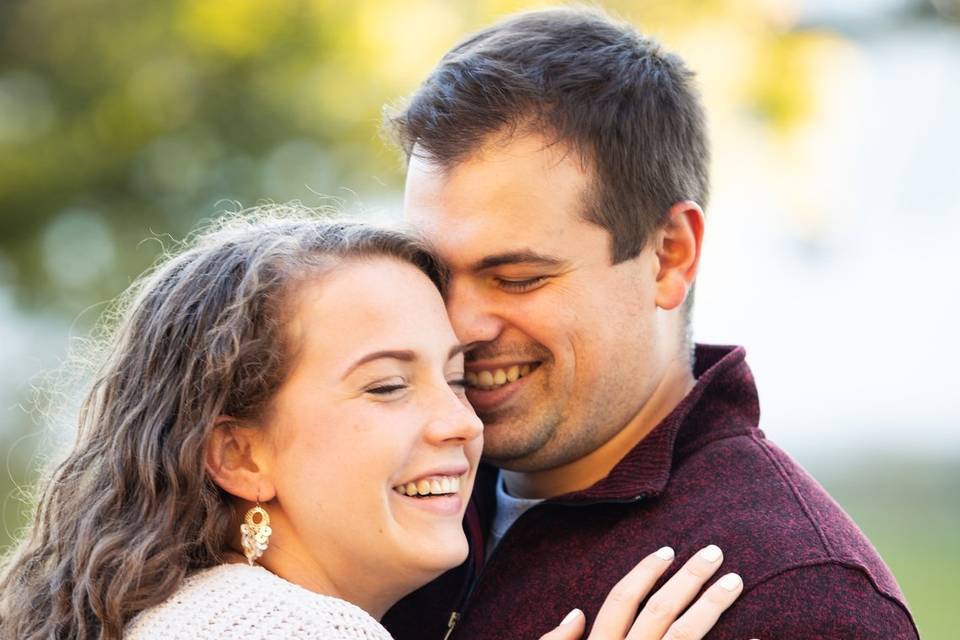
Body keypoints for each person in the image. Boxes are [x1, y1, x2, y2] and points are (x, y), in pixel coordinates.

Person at [381, 7, 920, 639]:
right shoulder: (384, 500)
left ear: (670, 255)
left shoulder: (800, 594)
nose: (461, 325)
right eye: (435, 274)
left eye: (518, 277)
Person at [0, 209, 744, 640]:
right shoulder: (290, 630)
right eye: (388, 385)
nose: (461, 423)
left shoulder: (182, 612)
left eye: (456, 378)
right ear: (237, 453)